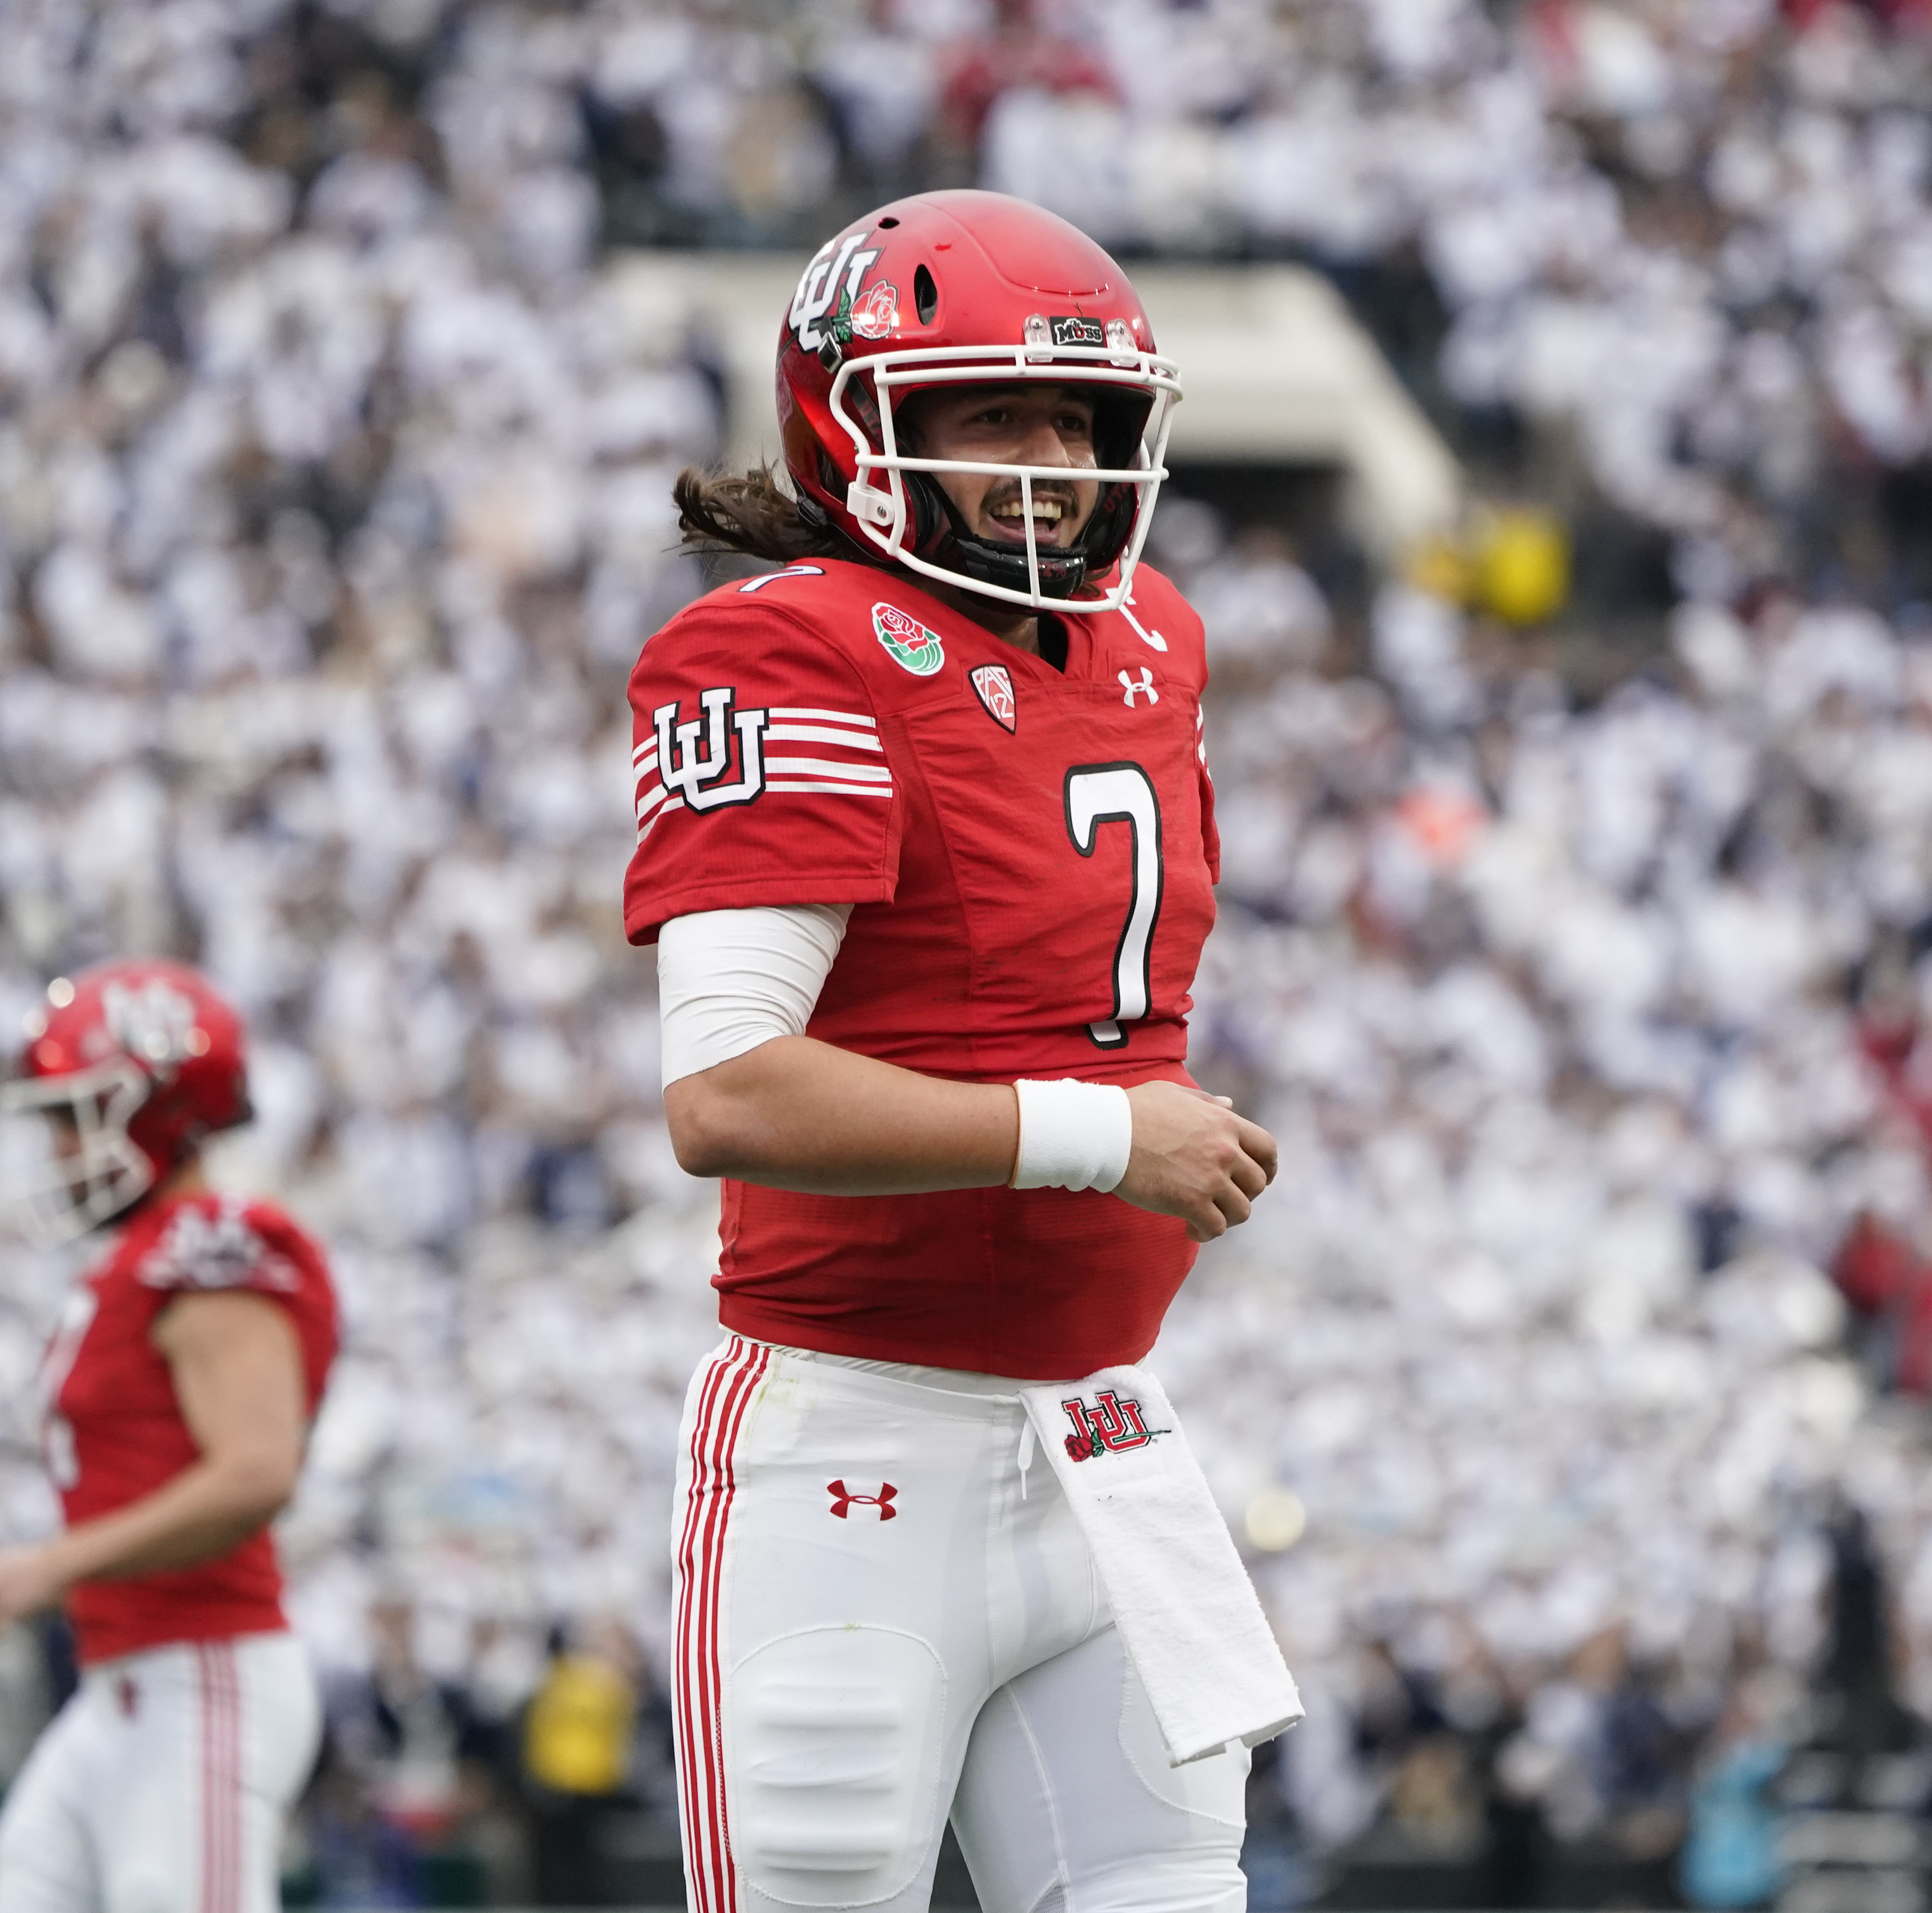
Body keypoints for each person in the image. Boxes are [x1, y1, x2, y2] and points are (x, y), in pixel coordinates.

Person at [636, 189, 1292, 1913]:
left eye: (1073, 417)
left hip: (1103, 1430)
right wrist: (1104, 1136)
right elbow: (726, 1090)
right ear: (861, 430)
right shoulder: (783, 643)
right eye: (989, 412)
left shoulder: (1148, 634)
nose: (1047, 458)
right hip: (856, 1439)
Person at [0, 961, 342, 1913]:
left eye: (73, 1116)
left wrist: (45, 1569)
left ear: (154, 1105)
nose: (59, 1147)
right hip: (121, 1688)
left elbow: (257, 1472)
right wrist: (8, 1581)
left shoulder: (219, 1244)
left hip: (204, 1674)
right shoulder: (142, 1259)